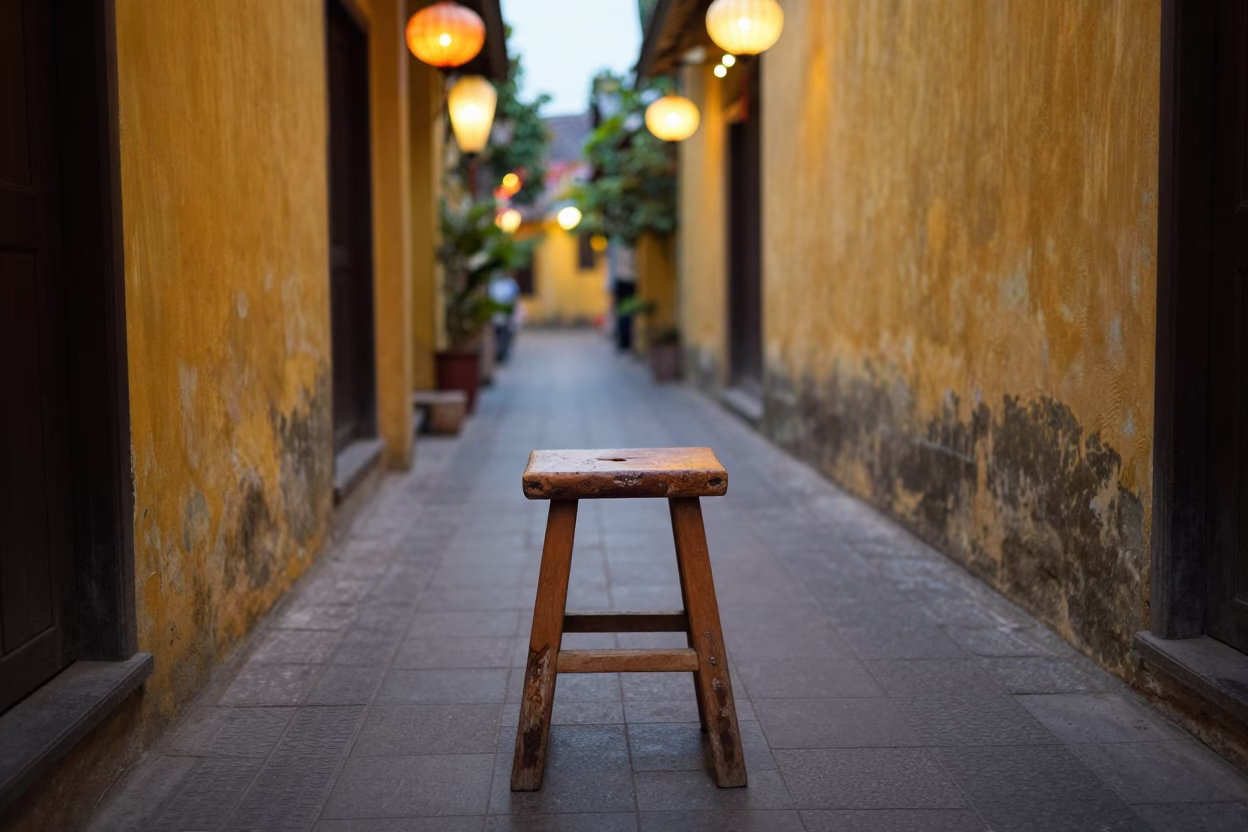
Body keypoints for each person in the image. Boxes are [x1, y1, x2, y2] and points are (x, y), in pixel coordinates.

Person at [490, 274, 522, 364]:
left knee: (506, 334)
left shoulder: (510, 284)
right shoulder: (495, 284)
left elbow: (514, 299)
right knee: (498, 333)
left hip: (506, 313)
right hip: (496, 313)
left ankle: (503, 353)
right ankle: (499, 353)